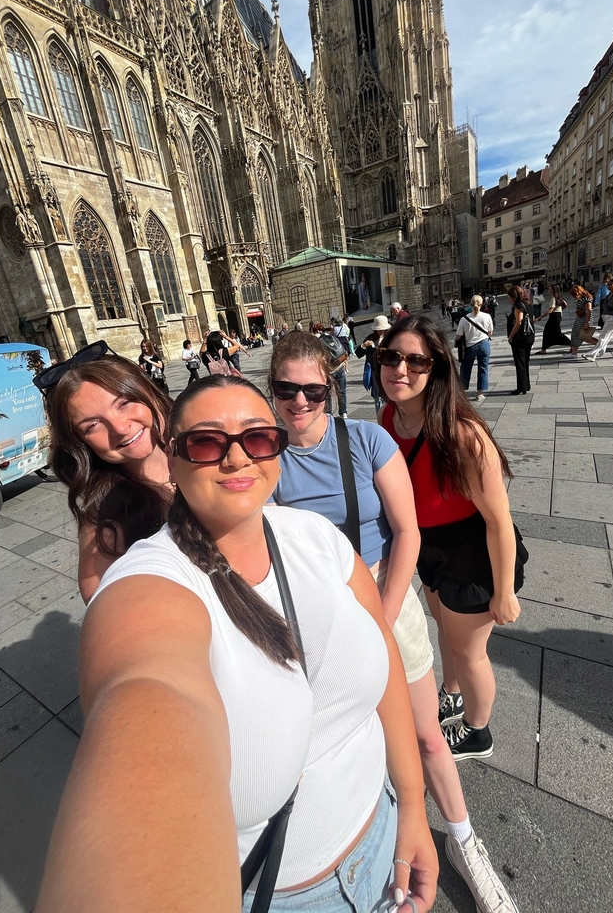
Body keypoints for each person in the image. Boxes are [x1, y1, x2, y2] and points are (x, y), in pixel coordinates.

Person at [35, 375, 439, 913]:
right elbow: (146, 686)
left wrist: (412, 805)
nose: (236, 458)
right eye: (206, 442)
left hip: (385, 832)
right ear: (173, 463)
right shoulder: (150, 581)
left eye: (258, 438)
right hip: (287, 893)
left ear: (278, 450)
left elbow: (383, 658)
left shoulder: (315, 537)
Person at [269, 333, 521, 913]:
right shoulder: (264, 456)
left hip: (385, 601)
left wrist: (379, 620)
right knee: (339, 738)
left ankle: (464, 844)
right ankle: (376, 838)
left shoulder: (365, 437)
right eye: (287, 390)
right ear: (273, 392)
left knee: (427, 734)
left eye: (312, 389)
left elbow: (407, 532)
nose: (301, 402)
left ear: (329, 386)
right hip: (308, 617)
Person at [375, 317, 526, 764]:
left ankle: (478, 733)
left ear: (437, 368)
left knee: (469, 650)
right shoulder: (388, 416)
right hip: (427, 545)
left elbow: (499, 521)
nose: (399, 369)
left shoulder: (462, 434)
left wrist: (503, 593)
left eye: (415, 361)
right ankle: (452, 693)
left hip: (473, 549)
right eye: (390, 356)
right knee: (445, 628)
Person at [32, 343, 173, 603]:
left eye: (125, 403)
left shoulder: (207, 449)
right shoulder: (106, 521)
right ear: (80, 443)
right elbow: (108, 610)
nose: (119, 428)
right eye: (93, 425)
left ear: (150, 394)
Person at [454, 295, 492, 404]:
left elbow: (458, 336)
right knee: (483, 368)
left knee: (465, 369)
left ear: (470, 304)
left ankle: (462, 392)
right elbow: (490, 333)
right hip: (484, 345)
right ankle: (480, 394)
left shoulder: (464, 319)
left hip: (469, 347)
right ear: (482, 304)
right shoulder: (487, 316)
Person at [582, 277, 613, 360]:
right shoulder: (609, 295)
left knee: (603, 337)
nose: (608, 286)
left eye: (610, 284)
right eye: (608, 284)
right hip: (608, 318)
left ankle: (591, 354)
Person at [356, 314, 390, 413]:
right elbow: (358, 354)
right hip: (375, 371)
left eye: (383, 329)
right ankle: (380, 417)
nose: (381, 331)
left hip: (387, 369)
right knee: (377, 395)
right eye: (379, 329)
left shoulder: (389, 338)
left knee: (388, 393)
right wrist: (363, 345)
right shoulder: (370, 338)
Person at [506, 286, 535, 394]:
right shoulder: (529, 303)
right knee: (525, 361)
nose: (509, 300)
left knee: (520, 363)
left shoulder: (518, 306)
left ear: (515, 296)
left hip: (520, 338)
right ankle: (526, 384)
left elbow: (519, 322)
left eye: (510, 298)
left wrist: (511, 336)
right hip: (529, 336)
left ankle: (521, 387)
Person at [319, 322, 349, 417]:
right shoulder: (331, 337)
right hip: (339, 366)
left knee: (327, 394)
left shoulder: (318, 342)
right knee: (341, 391)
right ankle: (343, 412)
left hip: (329, 370)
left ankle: (328, 414)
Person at [535, 286, 570, 353]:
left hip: (554, 316)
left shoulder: (553, 299)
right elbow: (565, 304)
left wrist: (540, 317)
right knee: (547, 332)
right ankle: (543, 349)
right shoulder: (558, 297)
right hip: (557, 315)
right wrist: (559, 309)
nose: (548, 289)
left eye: (550, 289)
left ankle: (572, 344)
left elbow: (550, 310)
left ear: (554, 290)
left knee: (556, 333)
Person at [564, 285, 594, 359]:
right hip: (579, 319)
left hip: (584, 320)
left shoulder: (586, 299)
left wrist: (587, 322)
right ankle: (574, 353)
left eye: (575, 294)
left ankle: (600, 345)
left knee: (585, 336)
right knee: (575, 334)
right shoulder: (581, 299)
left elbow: (589, 311)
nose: (574, 296)